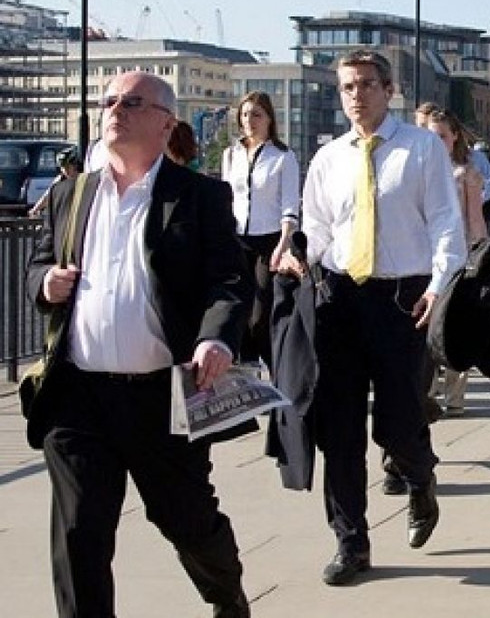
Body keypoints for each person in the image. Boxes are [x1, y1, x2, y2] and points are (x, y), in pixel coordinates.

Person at [25, 72, 253, 617]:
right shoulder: (71, 194)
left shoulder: (199, 196)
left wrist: (215, 339)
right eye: (109, 101)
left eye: (132, 102)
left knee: (187, 520)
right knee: (79, 532)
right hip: (79, 396)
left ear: (165, 124)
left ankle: (227, 596)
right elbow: (38, 265)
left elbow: (229, 281)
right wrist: (44, 282)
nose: (115, 111)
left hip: (161, 397)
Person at [277, 49, 465, 586]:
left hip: (403, 299)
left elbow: (446, 224)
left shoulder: (421, 148)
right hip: (338, 297)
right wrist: (298, 256)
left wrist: (438, 287)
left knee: (398, 422)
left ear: (388, 90)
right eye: (347, 87)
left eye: (365, 84)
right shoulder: (328, 158)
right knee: (339, 429)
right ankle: (350, 542)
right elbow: (317, 227)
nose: (356, 95)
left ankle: (420, 478)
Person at [221, 91, 300, 368]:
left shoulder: (283, 156)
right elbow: (227, 198)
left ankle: (276, 369)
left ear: (269, 119)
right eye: (244, 115)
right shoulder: (231, 155)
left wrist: (284, 243)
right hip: (238, 239)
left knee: (259, 315)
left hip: (269, 241)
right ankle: (247, 375)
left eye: (256, 114)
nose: (249, 121)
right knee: (238, 313)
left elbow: (290, 205)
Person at [427, 108, 488, 416]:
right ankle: (426, 392)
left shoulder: (465, 174)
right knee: (426, 326)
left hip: (459, 256)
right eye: (431, 136)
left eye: (442, 136)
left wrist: (480, 254)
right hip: (425, 258)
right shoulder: (420, 170)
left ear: (454, 138)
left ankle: (455, 396)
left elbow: (475, 219)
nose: (436, 142)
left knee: (454, 325)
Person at [28, 147, 82, 217]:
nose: (66, 170)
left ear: (75, 165)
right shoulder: (60, 179)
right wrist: (35, 209)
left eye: (68, 167)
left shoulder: (82, 178)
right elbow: (47, 196)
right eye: (63, 167)